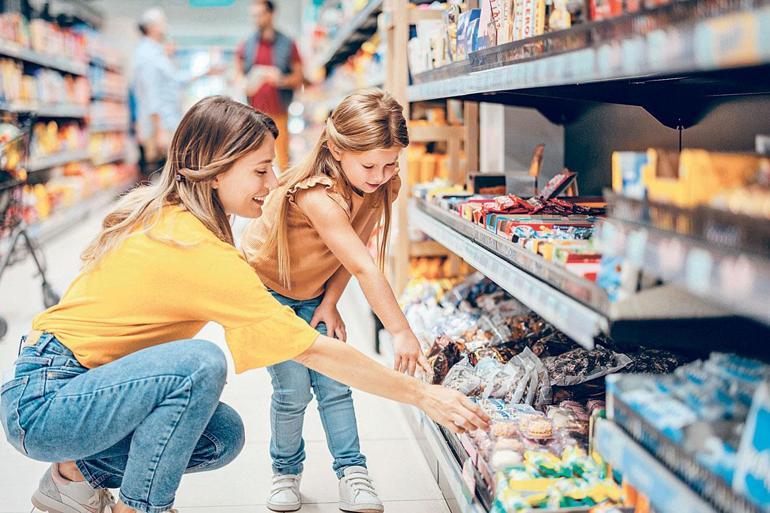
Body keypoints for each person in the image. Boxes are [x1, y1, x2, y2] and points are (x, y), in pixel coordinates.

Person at [0, 96, 488, 513]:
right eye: (259, 169)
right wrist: (422, 394)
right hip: (44, 400)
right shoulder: (196, 248)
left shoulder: (176, 217)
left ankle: (72, 476)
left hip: (70, 389)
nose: (273, 182)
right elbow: (314, 351)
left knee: (222, 437)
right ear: (214, 172)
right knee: (199, 364)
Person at [241, 89, 430, 513]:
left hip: (313, 292)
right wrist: (399, 331)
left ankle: (353, 472)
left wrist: (330, 301)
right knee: (291, 391)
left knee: (336, 385)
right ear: (335, 149)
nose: (381, 174)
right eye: (369, 165)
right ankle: (285, 471)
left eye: (390, 163)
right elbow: (366, 266)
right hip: (268, 294)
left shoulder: (379, 184)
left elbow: (355, 246)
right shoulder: (316, 196)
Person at [234, 0, 303, 171]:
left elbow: (298, 78)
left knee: (282, 160)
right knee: (254, 160)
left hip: (279, 112)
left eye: (260, 14)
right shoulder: (247, 45)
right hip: (254, 114)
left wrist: (280, 79)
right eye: (253, 15)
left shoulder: (287, 43)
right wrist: (246, 82)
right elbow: (237, 76)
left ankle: (282, 195)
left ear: (271, 14)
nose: (256, 19)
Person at [131, 7, 179, 178]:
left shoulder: (157, 52)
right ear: (151, 27)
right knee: (159, 175)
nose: (166, 26)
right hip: (157, 126)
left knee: (166, 174)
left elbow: (171, 83)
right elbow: (151, 94)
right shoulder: (147, 55)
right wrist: (159, 130)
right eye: (163, 22)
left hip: (165, 124)